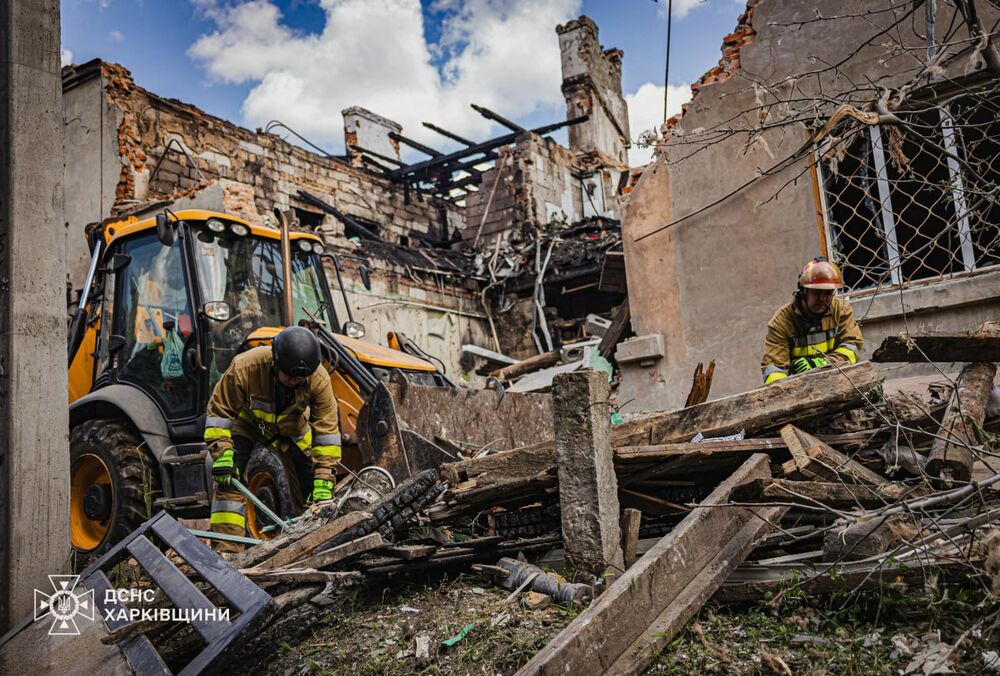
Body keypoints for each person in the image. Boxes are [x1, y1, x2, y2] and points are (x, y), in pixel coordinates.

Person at [204, 325, 342, 554]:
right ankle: (226, 553)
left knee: (315, 495)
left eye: (301, 378)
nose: (295, 381)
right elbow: (219, 413)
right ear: (275, 362)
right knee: (229, 479)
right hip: (247, 424)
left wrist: (324, 479)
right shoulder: (245, 367)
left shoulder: (318, 379)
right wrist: (222, 454)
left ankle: (309, 547)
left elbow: (327, 433)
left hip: (293, 430)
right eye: (289, 375)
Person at [761, 257, 863, 385]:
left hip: (839, 380)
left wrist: (822, 364)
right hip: (799, 388)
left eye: (827, 293)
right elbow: (773, 368)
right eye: (816, 292)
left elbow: (852, 346)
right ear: (803, 291)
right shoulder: (781, 322)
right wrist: (785, 390)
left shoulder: (840, 310)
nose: (822, 299)